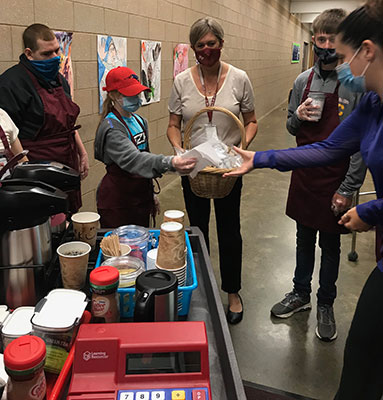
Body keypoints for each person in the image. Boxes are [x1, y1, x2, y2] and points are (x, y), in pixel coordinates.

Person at [224, 0, 383, 396]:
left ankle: (324, 301)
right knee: (362, 360)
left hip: (356, 204)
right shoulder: (375, 105)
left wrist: (368, 206)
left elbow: (348, 158)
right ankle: (301, 292)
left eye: (345, 56)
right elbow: (329, 147)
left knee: (366, 352)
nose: (342, 66)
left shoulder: (360, 96)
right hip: (348, 214)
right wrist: (260, 158)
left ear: (367, 51)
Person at [270, 9, 367, 342]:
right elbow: (289, 126)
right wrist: (297, 115)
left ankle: (326, 302)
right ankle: (300, 294)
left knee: (330, 245)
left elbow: (359, 144)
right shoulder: (302, 82)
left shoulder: (353, 84)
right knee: (302, 239)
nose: (326, 45)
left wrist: (348, 188)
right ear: (314, 40)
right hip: (305, 176)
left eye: (332, 40)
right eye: (321, 39)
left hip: (336, 180)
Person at [167, 17, 258, 324]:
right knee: (197, 231)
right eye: (200, 45)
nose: (206, 50)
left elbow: (251, 120)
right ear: (193, 48)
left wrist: (240, 148)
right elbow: (173, 125)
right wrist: (179, 151)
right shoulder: (181, 81)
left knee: (230, 230)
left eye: (212, 43)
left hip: (228, 168)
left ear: (221, 43)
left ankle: (232, 292)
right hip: (194, 168)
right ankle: (201, 289)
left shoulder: (239, 78)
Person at [0, 23, 89, 213]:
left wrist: (82, 152)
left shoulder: (59, 80)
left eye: (57, 51)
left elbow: (68, 124)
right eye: (47, 54)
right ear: (29, 53)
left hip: (67, 160)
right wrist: (27, 179)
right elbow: (9, 143)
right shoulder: (10, 84)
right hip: (36, 169)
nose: (55, 58)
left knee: (69, 215)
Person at [94, 66, 196, 228]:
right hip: (118, 201)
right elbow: (134, 160)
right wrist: (170, 163)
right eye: (129, 94)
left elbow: (144, 158)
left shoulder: (140, 121)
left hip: (140, 196)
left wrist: (150, 195)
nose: (136, 98)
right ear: (114, 95)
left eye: (137, 93)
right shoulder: (112, 127)